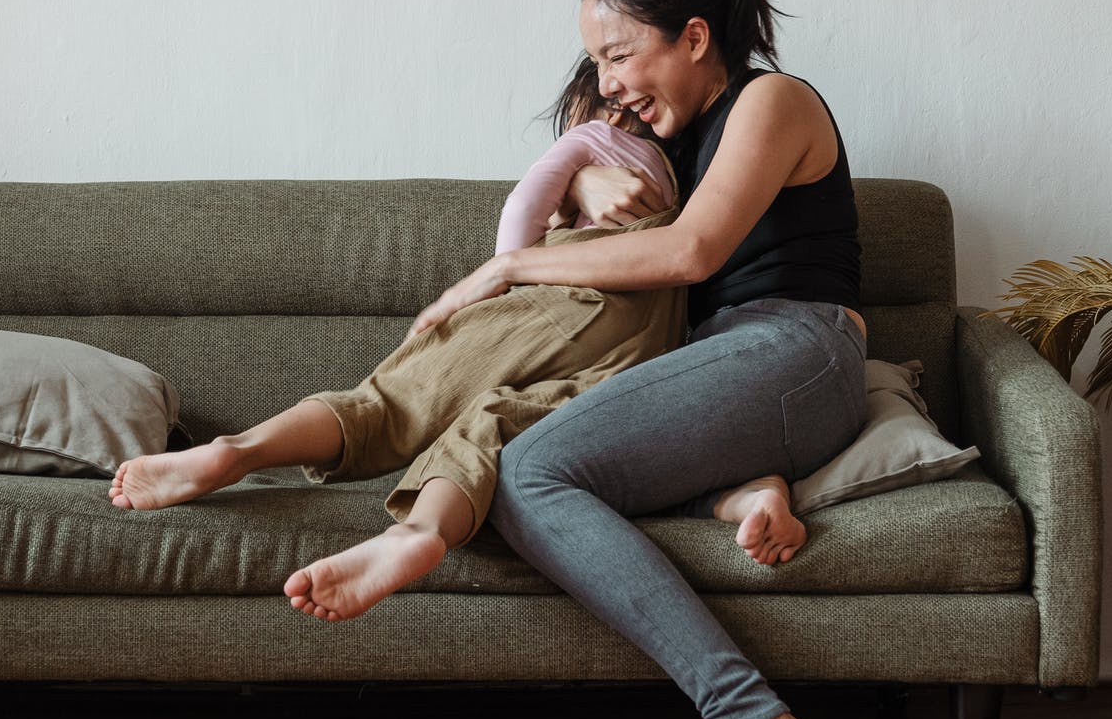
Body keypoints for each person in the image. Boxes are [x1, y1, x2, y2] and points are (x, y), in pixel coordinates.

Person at [408, 0, 868, 719]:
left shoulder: (771, 101)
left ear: (695, 37)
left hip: (797, 346)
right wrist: (583, 170)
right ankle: (741, 486)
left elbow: (691, 251)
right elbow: (597, 184)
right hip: (716, 365)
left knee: (531, 471)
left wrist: (507, 270)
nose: (610, 80)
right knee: (530, 455)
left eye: (621, 54)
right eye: (597, 61)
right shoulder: (670, 135)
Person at [105, 57, 813, 624]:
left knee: (389, 402)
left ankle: (239, 451)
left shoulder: (588, 140)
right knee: (498, 423)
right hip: (648, 344)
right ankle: (420, 533)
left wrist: (510, 270)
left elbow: (523, 205)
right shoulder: (687, 168)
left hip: (572, 300)